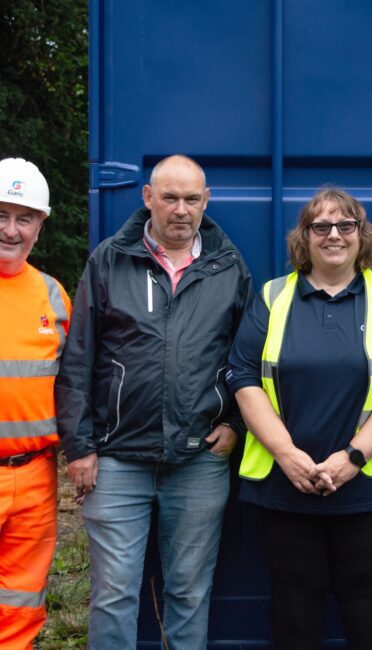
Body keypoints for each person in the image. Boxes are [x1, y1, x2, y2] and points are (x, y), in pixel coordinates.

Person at [54, 155, 252, 649]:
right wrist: (78, 447)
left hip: (198, 460)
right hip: (117, 458)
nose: (180, 210)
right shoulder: (110, 259)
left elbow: (248, 359)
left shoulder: (229, 266)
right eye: (169, 197)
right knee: (114, 594)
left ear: (206, 202)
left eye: (191, 199)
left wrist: (233, 423)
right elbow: (78, 357)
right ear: (147, 199)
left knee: (189, 590)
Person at [227, 187, 372, 650]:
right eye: (321, 226)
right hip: (286, 484)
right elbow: (242, 377)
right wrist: (288, 456)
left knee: (370, 602)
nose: (333, 235)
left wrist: (353, 456)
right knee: (294, 603)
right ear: (305, 237)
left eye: (345, 226)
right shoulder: (273, 296)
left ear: (362, 235)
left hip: (369, 485)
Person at [0, 158, 71, 648]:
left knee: (21, 601)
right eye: (0, 214)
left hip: (35, 477)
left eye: (24, 217)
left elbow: (76, 382)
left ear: (40, 226)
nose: (10, 229)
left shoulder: (54, 297)